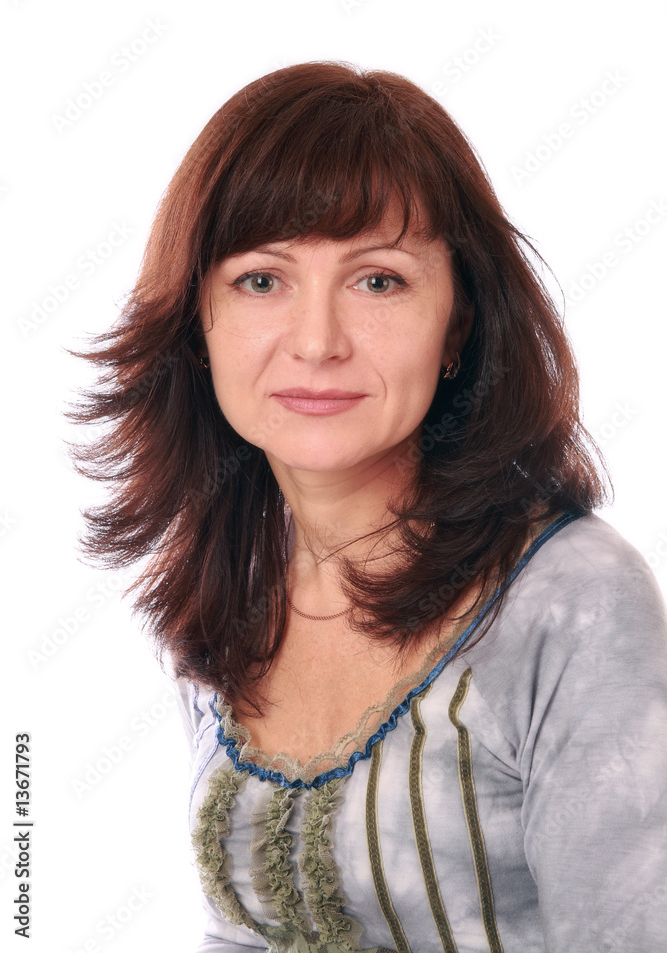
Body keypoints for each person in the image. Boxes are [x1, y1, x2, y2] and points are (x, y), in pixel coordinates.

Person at [68, 61, 667, 953]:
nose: (317, 343)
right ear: (196, 321)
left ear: (458, 321)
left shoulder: (573, 599)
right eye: (260, 280)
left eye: (377, 281)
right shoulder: (222, 587)